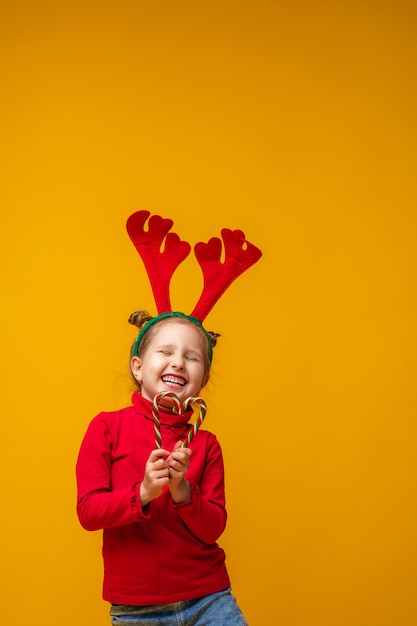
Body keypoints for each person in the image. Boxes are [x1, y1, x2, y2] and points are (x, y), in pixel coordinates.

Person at [76, 310, 248, 625]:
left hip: (208, 596)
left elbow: (213, 529)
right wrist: (143, 491)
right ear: (138, 368)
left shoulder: (206, 444)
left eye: (192, 357)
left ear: (203, 380)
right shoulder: (106, 427)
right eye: (166, 352)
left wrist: (182, 489)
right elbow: (88, 512)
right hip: (136, 606)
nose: (178, 362)